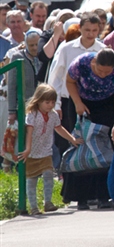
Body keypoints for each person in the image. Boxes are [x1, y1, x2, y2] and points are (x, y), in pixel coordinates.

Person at [62, 47, 114, 208]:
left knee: (103, 148)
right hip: (81, 102)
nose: (104, 75)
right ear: (94, 62)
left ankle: (103, 195)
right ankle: (81, 197)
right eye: (100, 71)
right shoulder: (81, 63)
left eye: (108, 72)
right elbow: (69, 81)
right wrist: (78, 103)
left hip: (105, 105)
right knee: (80, 144)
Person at [46, 13, 105, 163]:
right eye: (87, 30)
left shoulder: (102, 50)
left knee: (92, 140)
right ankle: (67, 172)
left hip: (94, 101)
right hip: (68, 102)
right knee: (67, 140)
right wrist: (56, 104)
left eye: (94, 30)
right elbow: (56, 77)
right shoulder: (67, 48)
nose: (90, 34)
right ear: (80, 28)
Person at [17, 84, 82, 214]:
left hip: (46, 151)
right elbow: (29, 132)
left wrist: (72, 139)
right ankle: (34, 207)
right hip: (32, 153)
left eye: (52, 102)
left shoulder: (53, 115)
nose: (50, 105)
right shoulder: (32, 114)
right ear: (38, 100)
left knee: (48, 175)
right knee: (31, 180)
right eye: (47, 102)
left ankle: (48, 202)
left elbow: (59, 128)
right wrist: (28, 149)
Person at [6, 32, 44, 125]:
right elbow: (11, 85)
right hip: (24, 106)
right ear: (26, 45)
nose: (35, 48)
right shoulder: (17, 57)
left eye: (37, 44)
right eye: (31, 45)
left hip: (42, 105)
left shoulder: (43, 56)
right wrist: (12, 111)